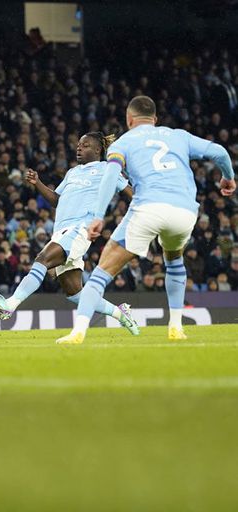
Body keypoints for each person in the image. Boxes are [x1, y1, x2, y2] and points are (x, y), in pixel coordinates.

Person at [58, 96, 236, 344]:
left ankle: (78, 332)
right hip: (185, 212)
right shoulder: (178, 135)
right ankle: (176, 327)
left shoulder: (123, 142)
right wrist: (228, 177)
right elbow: (219, 152)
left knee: (101, 272)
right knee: (174, 261)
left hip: (148, 208)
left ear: (129, 119)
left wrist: (99, 216)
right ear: (155, 120)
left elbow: (111, 175)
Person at [0, 132, 140, 334]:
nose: (79, 148)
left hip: (80, 228)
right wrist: (37, 183)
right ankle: (120, 313)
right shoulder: (72, 173)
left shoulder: (108, 169)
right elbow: (56, 199)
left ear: (98, 149)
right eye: (78, 145)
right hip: (61, 232)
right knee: (75, 294)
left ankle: (10, 305)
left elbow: (130, 193)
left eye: (84, 145)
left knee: (42, 259)